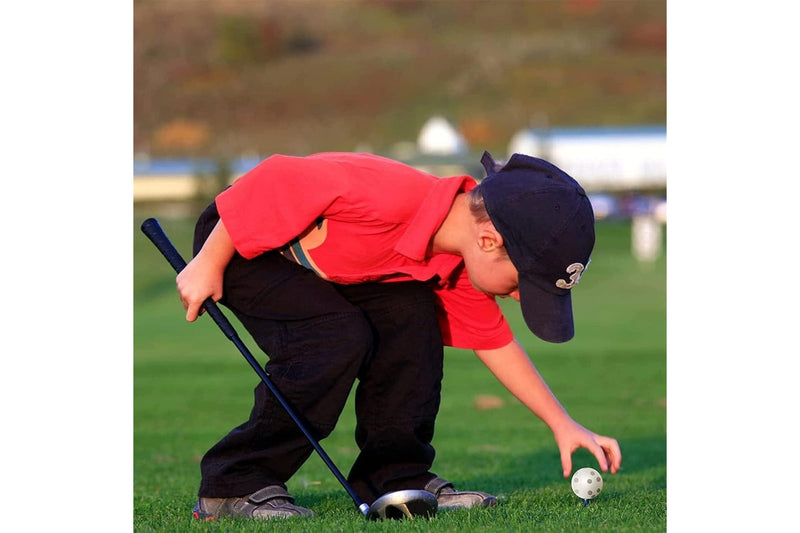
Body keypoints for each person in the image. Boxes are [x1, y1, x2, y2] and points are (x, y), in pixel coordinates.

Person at [175, 150, 622, 520]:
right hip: (239, 240)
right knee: (335, 336)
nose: (520, 297)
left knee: (411, 314)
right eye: (524, 284)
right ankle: (233, 484)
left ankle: (395, 479)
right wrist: (208, 262)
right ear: (488, 240)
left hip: (318, 270)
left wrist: (562, 422)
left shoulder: (455, 263)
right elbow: (275, 178)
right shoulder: (389, 196)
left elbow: (496, 343)